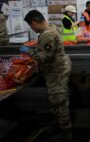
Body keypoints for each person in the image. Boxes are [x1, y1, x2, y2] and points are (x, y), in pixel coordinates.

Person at [21, 10, 72, 142]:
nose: (32, 29)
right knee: (57, 101)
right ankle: (58, 125)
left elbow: (46, 57)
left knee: (59, 102)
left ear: (34, 23)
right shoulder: (52, 27)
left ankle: (66, 133)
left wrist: (30, 53)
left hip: (56, 72)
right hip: (59, 69)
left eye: (31, 26)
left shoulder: (47, 35)